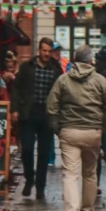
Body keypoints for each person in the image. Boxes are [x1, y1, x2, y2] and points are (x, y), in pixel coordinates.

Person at [46, 45, 106, 211]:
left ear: (74, 60)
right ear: (90, 61)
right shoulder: (100, 81)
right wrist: (104, 129)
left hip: (69, 131)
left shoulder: (63, 80)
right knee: (90, 173)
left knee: (70, 174)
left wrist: (58, 129)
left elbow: (51, 107)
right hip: (93, 132)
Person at [13, 37, 63, 199]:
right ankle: (29, 179)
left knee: (43, 152)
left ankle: (40, 186)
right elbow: (17, 88)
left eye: (49, 51)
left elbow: (61, 92)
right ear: (39, 51)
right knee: (27, 149)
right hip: (28, 112)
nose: (47, 54)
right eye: (44, 51)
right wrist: (15, 109)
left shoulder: (56, 69)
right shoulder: (27, 67)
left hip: (47, 114)